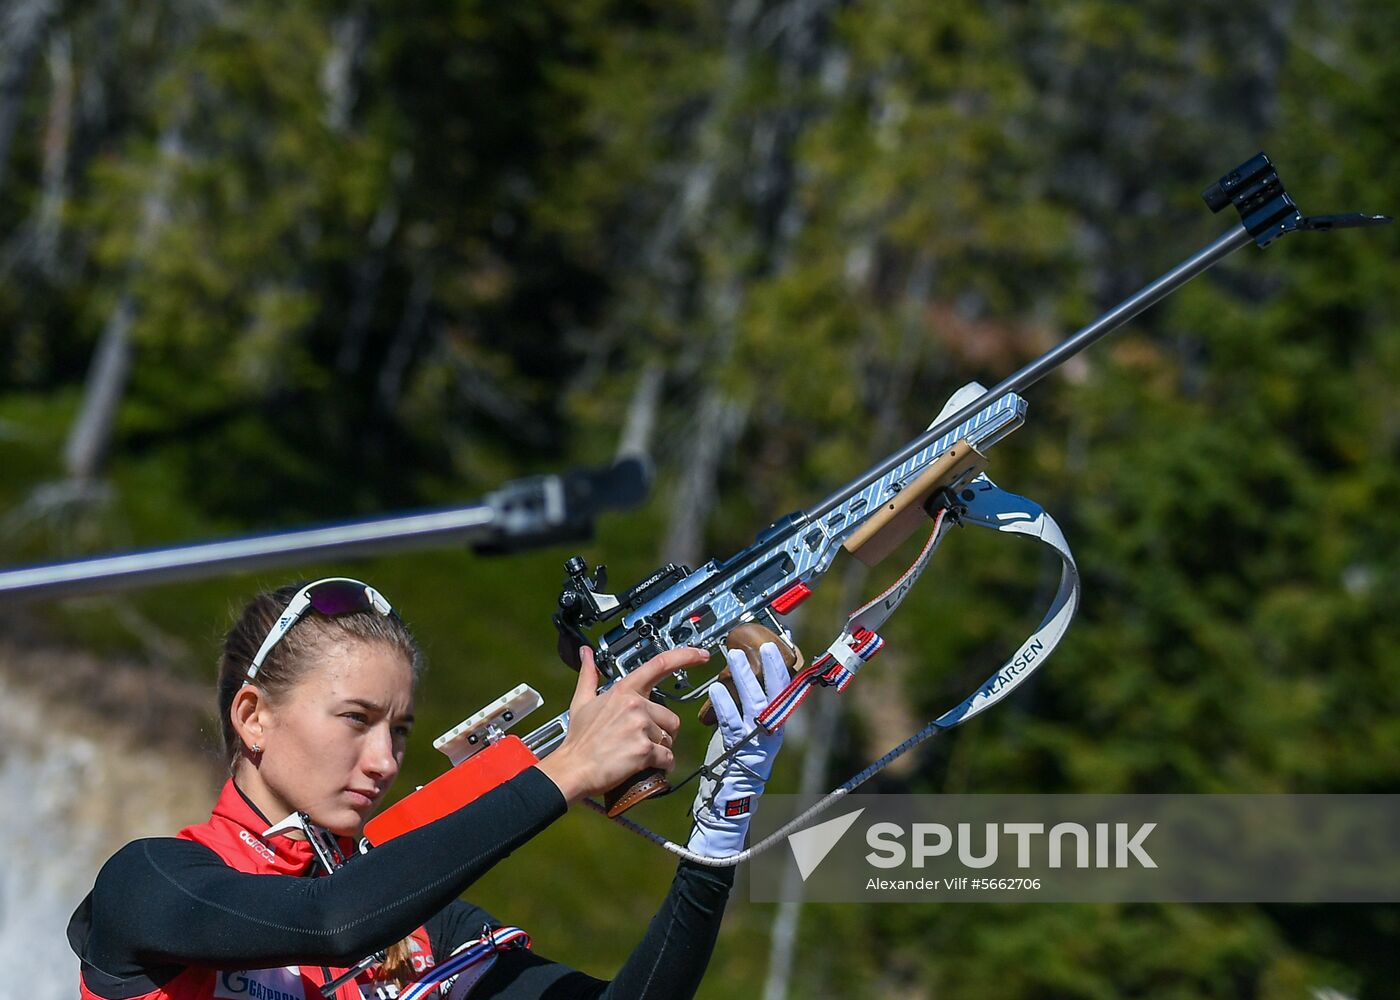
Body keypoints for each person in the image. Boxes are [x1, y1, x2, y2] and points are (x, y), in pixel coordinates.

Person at [67, 577, 791, 1000]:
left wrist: (716, 836)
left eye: (400, 730)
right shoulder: (152, 883)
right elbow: (332, 919)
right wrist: (566, 770)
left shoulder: (423, 931)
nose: (385, 760)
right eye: (356, 719)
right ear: (254, 716)